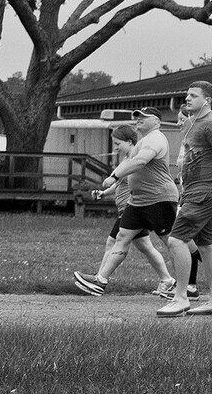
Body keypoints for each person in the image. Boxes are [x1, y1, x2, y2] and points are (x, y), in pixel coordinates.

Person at [153, 82, 212, 318]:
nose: (187, 98)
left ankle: (181, 298)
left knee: (176, 241)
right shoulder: (191, 123)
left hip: (205, 191)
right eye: (187, 94)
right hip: (192, 191)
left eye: (193, 95)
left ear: (207, 100)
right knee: (206, 246)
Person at [73, 122, 174, 297]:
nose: (116, 148)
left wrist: (113, 180)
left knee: (123, 242)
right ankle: (168, 281)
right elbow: (119, 183)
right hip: (132, 209)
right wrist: (104, 193)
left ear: (129, 141)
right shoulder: (127, 161)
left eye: (118, 144)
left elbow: (125, 178)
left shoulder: (137, 160)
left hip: (137, 207)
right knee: (144, 247)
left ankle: (100, 279)